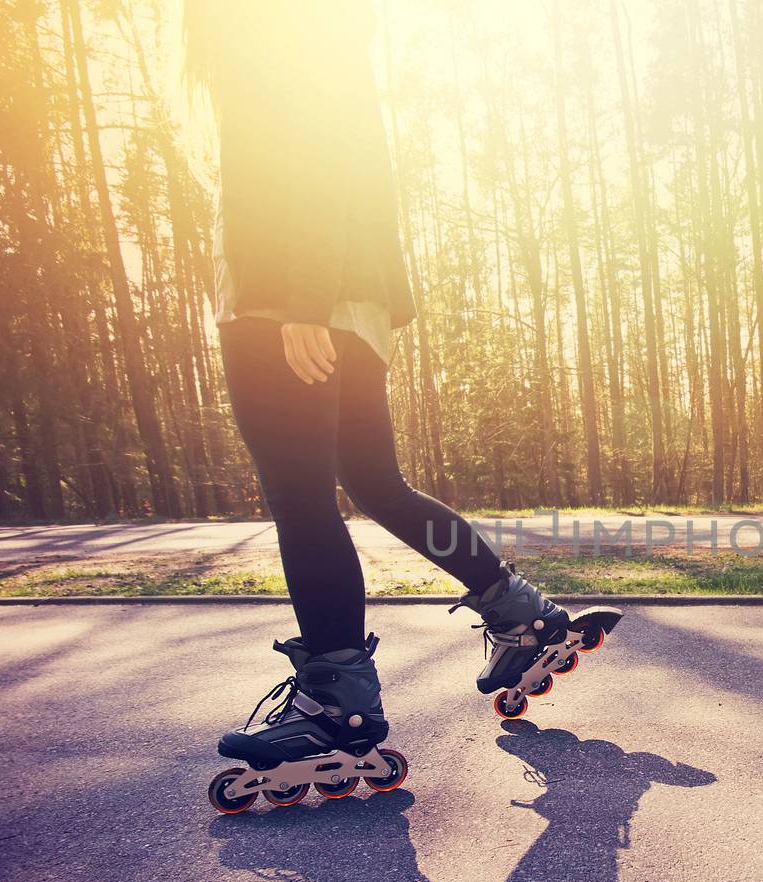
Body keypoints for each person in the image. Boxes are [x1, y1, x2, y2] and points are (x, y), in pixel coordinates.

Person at [184, 1, 618, 811]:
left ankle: (335, 703)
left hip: (292, 300)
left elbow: (318, 160)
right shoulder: (321, 33)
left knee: (301, 497)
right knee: (375, 481)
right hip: (350, 300)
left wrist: (302, 297)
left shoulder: (270, 29)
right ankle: (524, 616)